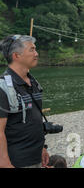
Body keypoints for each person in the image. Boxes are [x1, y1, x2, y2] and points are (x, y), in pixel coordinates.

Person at [0, 34, 49, 168]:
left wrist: (42, 148)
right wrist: (4, 163)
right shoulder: (3, 87)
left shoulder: (33, 82)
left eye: (35, 49)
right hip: (16, 161)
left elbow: (35, 119)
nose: (36, 53)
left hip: (36, 158)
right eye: (31, 50)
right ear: (16, 56)